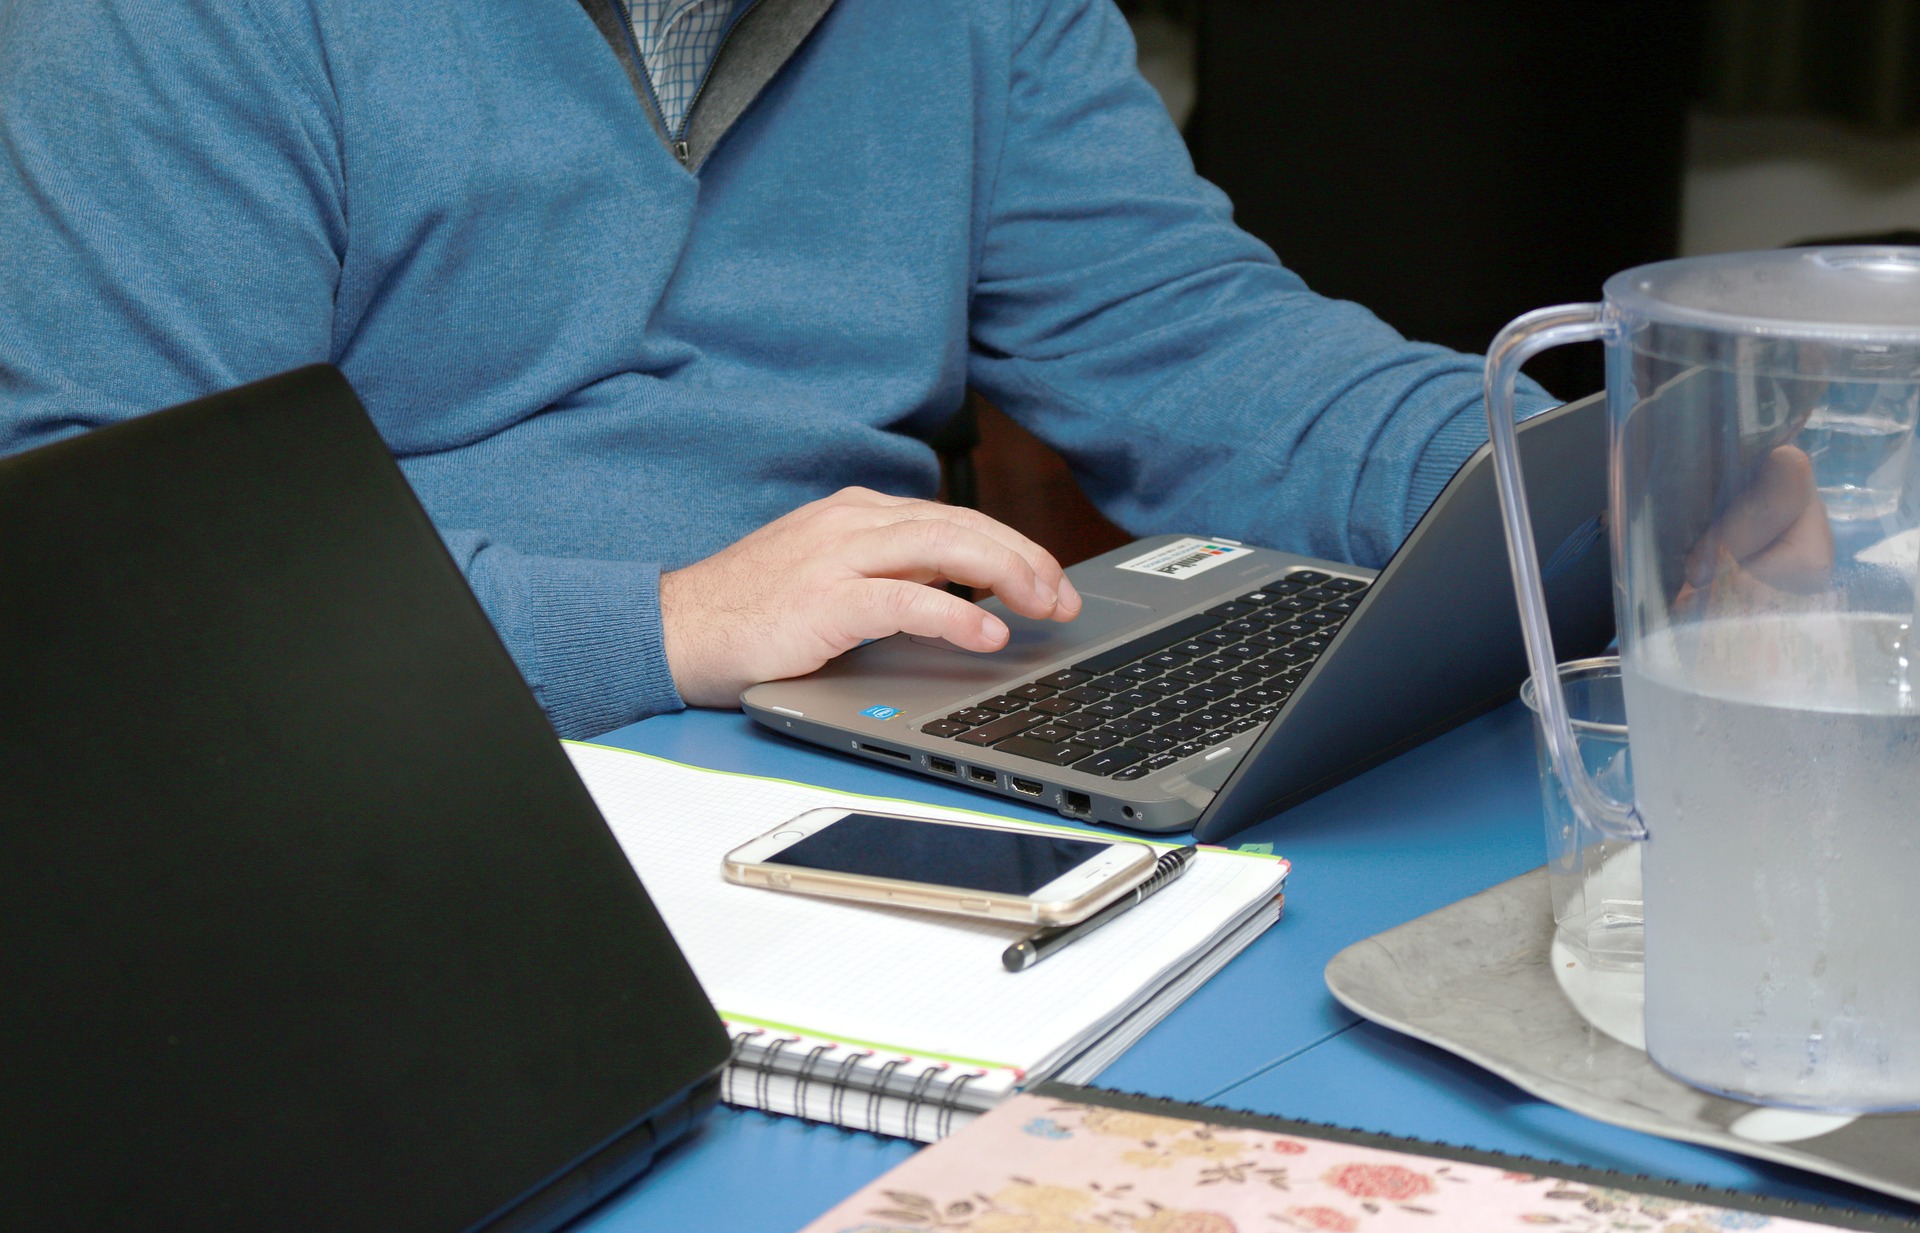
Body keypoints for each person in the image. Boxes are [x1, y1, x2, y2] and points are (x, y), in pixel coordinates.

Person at [0, 0, 1556, 738]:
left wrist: (1578, 479)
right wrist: (662, 626)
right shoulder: (153, 23)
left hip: (870, 742)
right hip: (402, 792)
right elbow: (118, 604)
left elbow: (1203, 344)